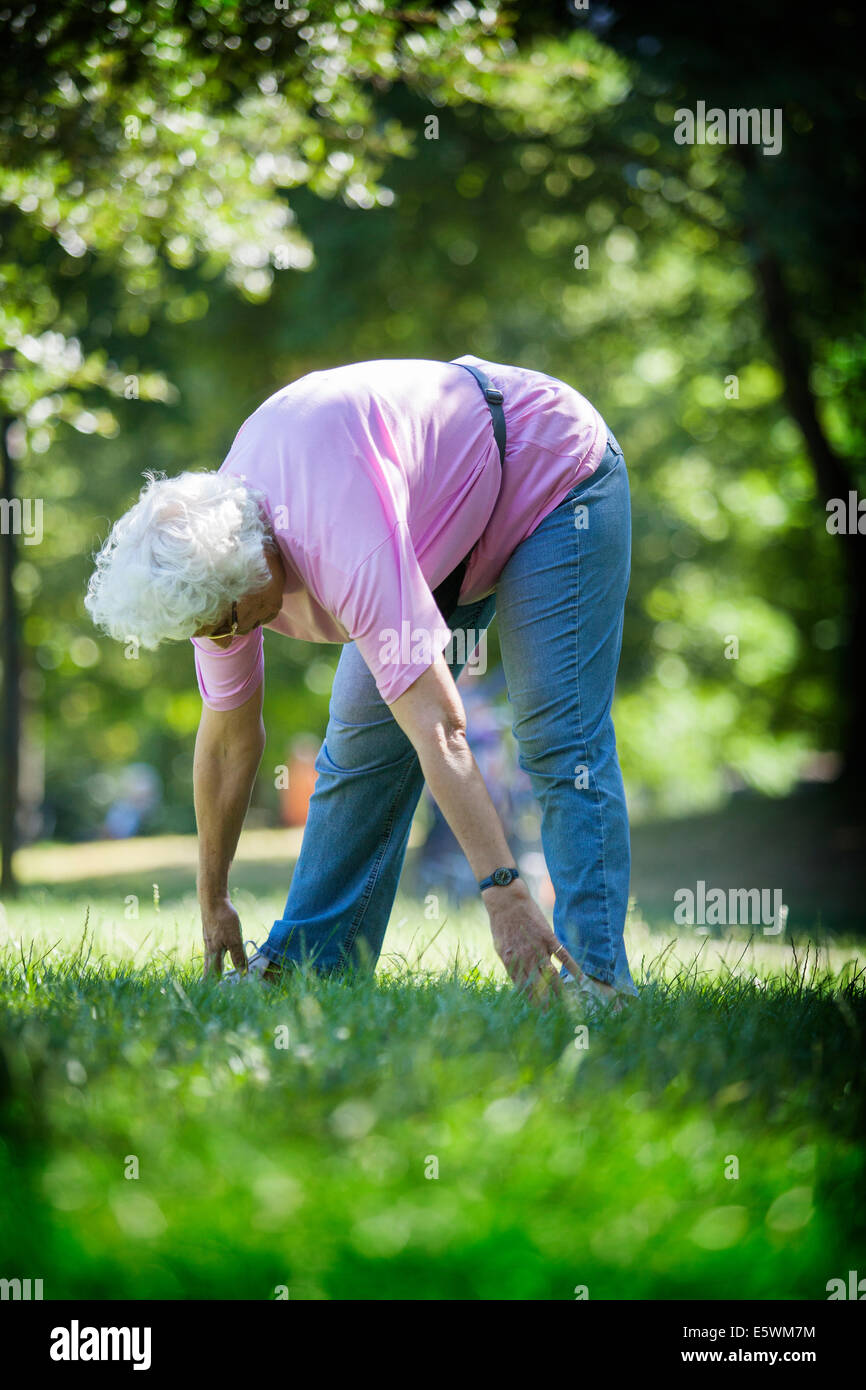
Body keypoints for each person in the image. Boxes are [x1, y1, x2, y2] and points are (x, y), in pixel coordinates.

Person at [85, 354, 637, 1010]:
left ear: (259, 559)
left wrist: (505, 896)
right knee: (360, 753)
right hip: (437, 519)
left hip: (546, 472)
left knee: (556, 732)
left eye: (231, 620)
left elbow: (440, 728)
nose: (228, 638)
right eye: (209, 630)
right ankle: (312, 966)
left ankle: (598, 983)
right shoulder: (210, 568)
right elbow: (229, 741)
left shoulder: (337, 542)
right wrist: (214, 902)